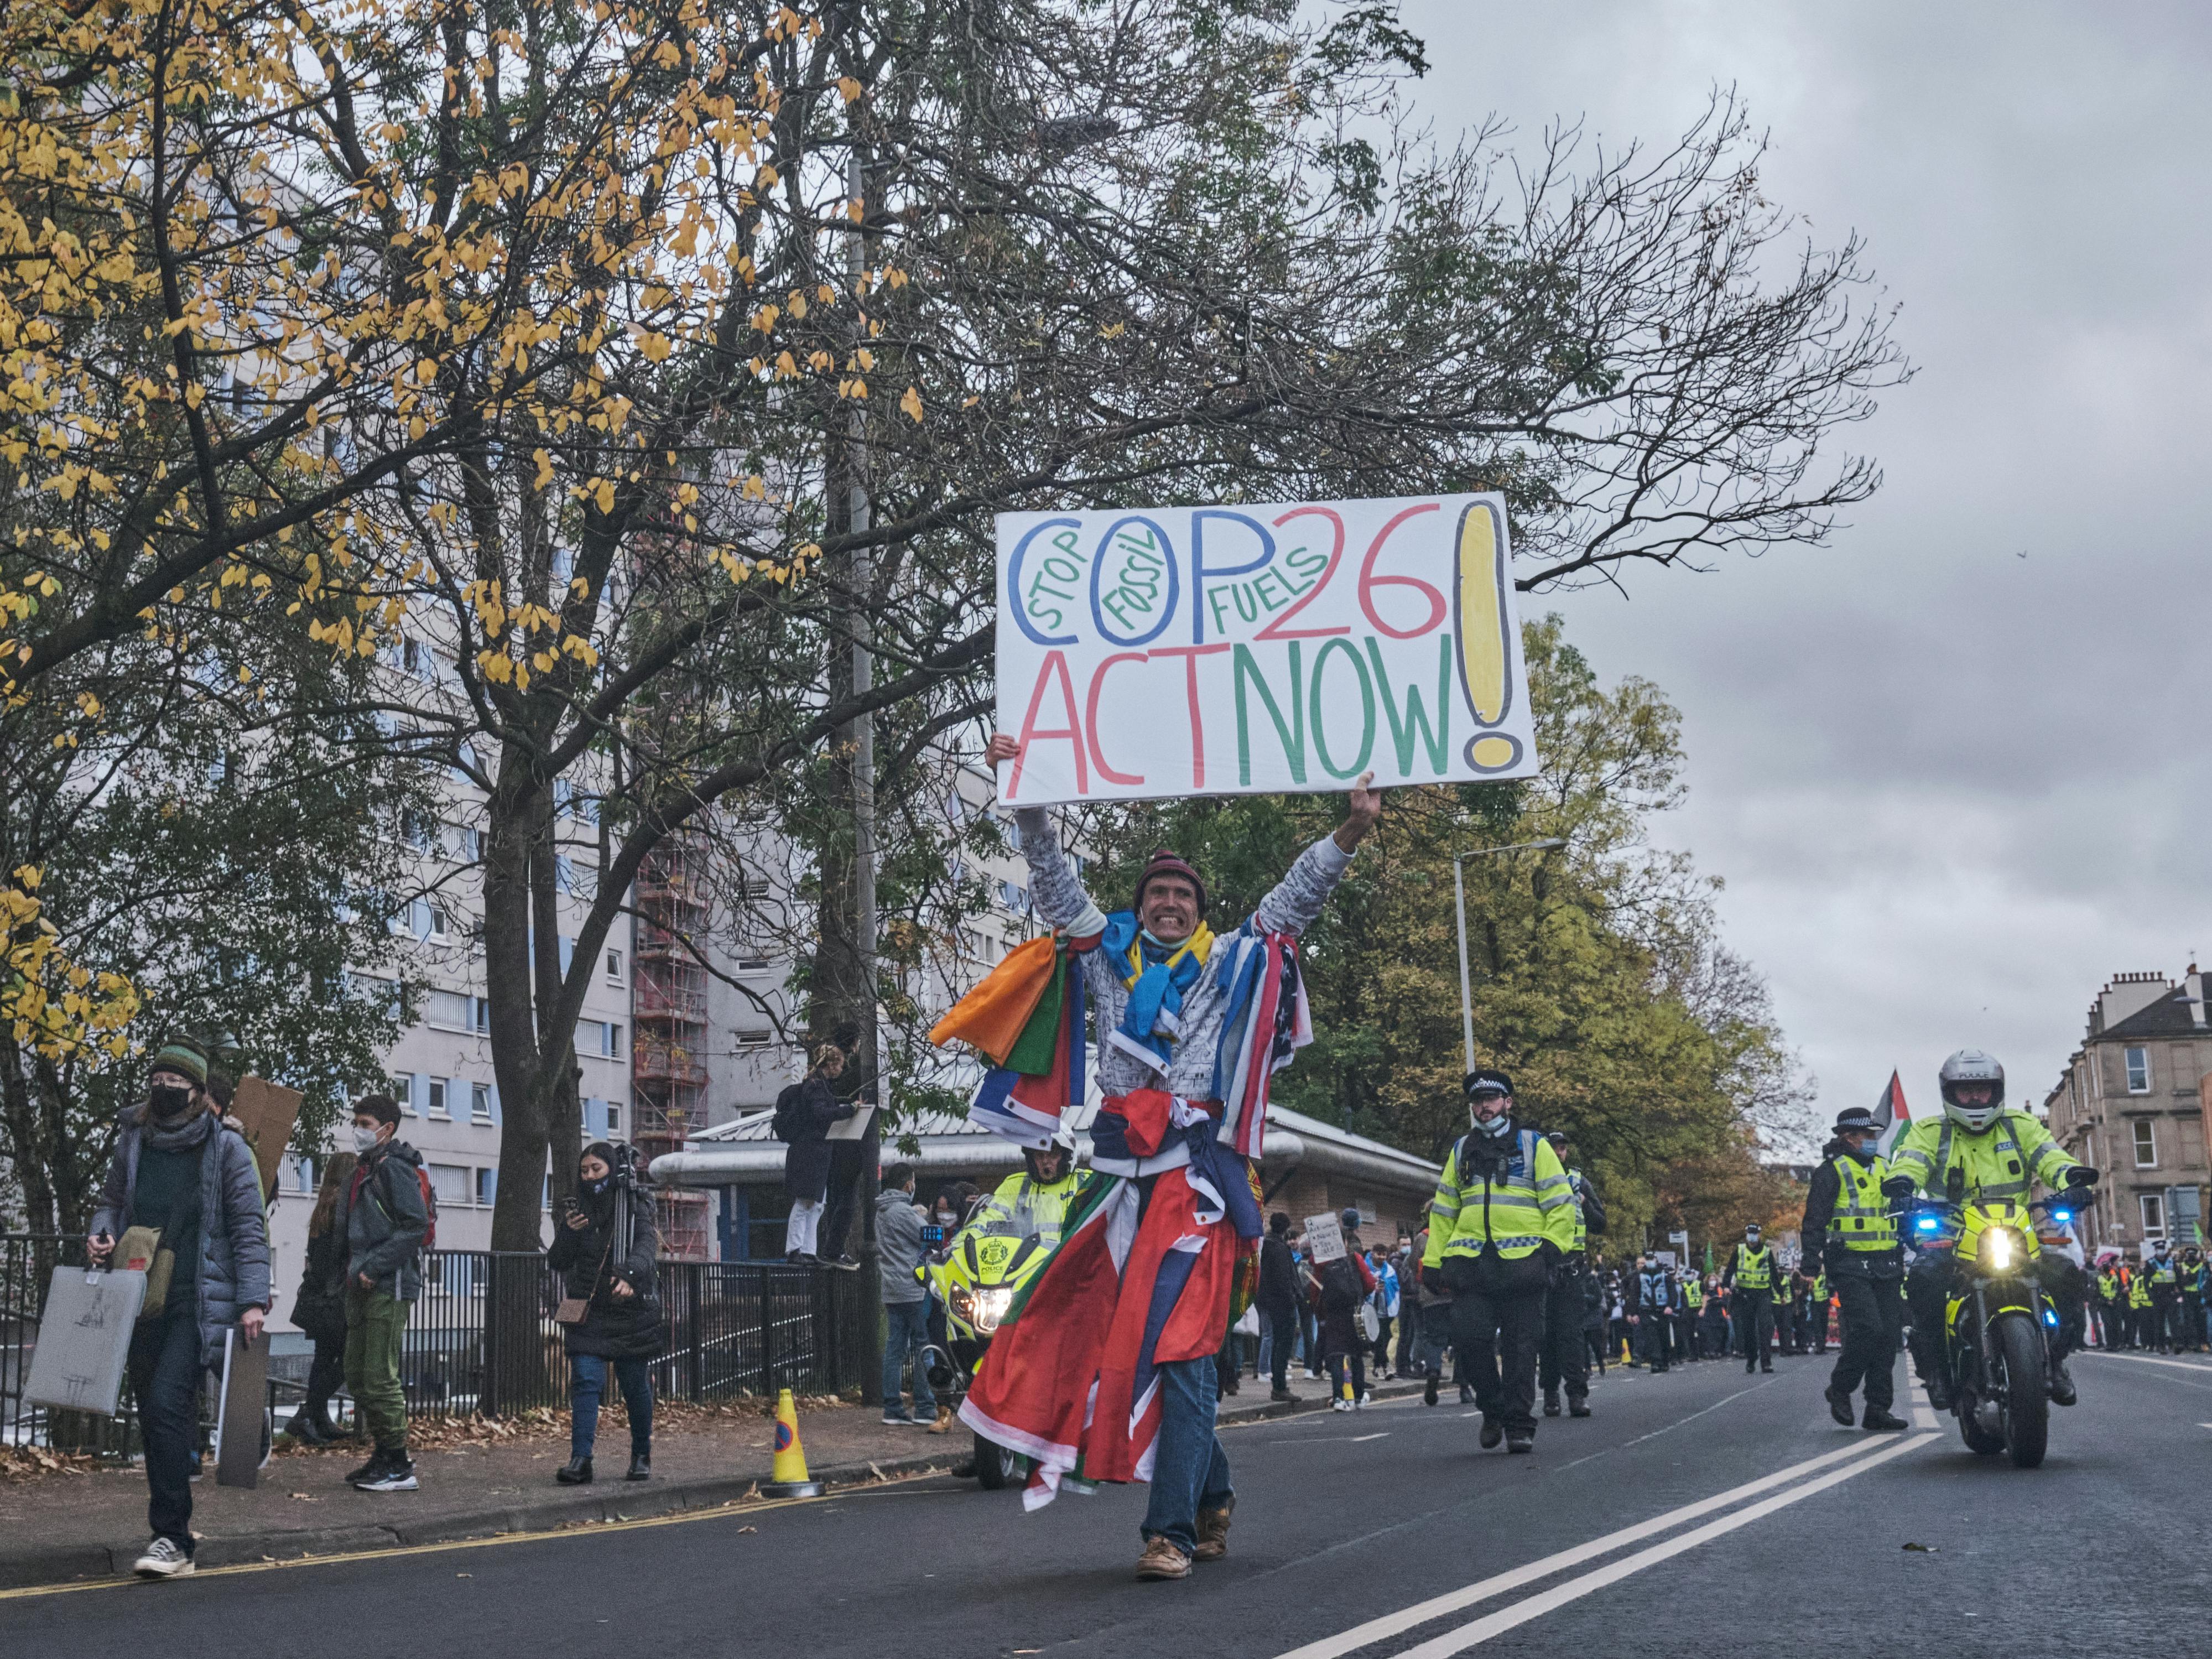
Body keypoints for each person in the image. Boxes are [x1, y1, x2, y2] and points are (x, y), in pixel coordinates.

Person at [963, 731, 1381, 1582]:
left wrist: (1349, 832)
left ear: (1197, 908)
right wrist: (1028, 798)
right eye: (1154, 891)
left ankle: (1172, 1531)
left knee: (1183, 1350)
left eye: (1180, 894)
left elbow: (1289, 905)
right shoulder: (1106, 961)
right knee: (1082, 1329)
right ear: (1140, 903)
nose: (1166, 903)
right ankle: (1213, 1492)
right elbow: (1053, 883)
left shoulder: (1229, 963)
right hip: (1118, 1185)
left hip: (1195, 1184)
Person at [88, 1038, 270, 1579]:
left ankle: (172, 1536)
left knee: (168, 1398)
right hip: (138, 1294)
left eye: (175, 1082)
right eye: (156, 1079)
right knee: (153, 1410)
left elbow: (248, 1226)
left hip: (198, 1300)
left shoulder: (227, 1149)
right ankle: (170, 1530)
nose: (163, 1089)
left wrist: (254, 1299)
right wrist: (100, 1236)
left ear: (197, 1093)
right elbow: (112, 1202)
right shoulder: (134, 1140)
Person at [1883, 1048, 2094, 1409]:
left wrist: (2071, 1178)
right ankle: (1934, 1369)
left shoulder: (2019, 1125)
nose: (1975, 1098)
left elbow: (2049, 1155)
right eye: (1967, 1092)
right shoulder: (1930, 1131)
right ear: (1949, 1093)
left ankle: (2056, 1361)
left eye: (1982, 1090)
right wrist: (1901, 1185)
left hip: (2015, 1237)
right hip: (1951, 1238)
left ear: (1996, 1090)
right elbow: (1910, 1159)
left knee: (2066, 1275)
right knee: (1924, 1280)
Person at [1420, 1070, 1579, 1454]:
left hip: (1523, 1263)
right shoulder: (1461, 1149)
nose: (1483, 1106)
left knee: (1521, 1350)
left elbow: (1560, 1203)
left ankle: (1519, 1426)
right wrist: (1433, 1260)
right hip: (1472, 1264)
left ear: (1507, 1102)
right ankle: (1492, 1409)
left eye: (1491, 1099)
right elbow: (1444, 1210)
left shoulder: (1533, 1145)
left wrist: (1550, 1249)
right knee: (1469, 1341)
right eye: (1477, 1101)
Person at [331, 1091, 429, 1492]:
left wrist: (374, 1266)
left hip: (388, 1282)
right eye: (356, 1123)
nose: (358, 1131)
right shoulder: (367, 1167)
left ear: (386, 1129)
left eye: (365, 1125)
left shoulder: (394, 1168)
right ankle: (383, 1454)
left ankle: (398, 1461)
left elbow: (414, 1224)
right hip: (361, 1281)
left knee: (379, 1374)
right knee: (357, 1372)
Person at [548, 1143, 663, 1481]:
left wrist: (630, 1274)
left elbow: (646, 1246)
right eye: (584, 1171)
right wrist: (569, 1232)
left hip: (629, 1309)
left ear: (611, 1169)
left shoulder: (633, 1205)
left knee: (633, 1385)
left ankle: (641, 1453)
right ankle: (580, 1460)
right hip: (588, 1310)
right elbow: (557, 1261)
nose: (589, 1177)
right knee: (585, 1380)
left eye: (596, 1169)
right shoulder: (577, 1210)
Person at [1799, 1107, 1908, 1432]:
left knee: (1889, 1335)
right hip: (1848, 1262)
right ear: (1849, 1137)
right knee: (1868, 1329)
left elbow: (1900, 1213)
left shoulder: (1885, 1169)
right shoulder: (1830, 1172)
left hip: (1886, 1262)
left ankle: (1878, 1408)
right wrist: (1810, 1260)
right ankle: (1841, 1389)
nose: (1875, 1140)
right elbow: (1815, 1220)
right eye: (1869, 1136)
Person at [285, 1150, 357, 1445]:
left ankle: (318, 1419)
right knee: (350, 1358)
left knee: (324, 1358)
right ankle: (307, 1413)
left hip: (317, 1298)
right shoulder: (344, 1207)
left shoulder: (323, 1207)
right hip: (334, 1299)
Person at [1540, 1132, 1605, 1419]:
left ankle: (1577, 1395)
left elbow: (1600, 1224)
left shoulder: (1579, 1182)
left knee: (1572, 1336)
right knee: (1546, 1336)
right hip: (1543, 1268)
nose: (1558, 1152)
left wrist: (1584, 1203)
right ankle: (1551, 1393)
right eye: (1553, 1147)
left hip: (1572, 1270)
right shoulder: (1534, 1181)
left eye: (1563, 1148)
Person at [777, 1046, 855, 1264]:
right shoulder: (816, 1087)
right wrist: (849, 1110)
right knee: (805, 1202)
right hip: (810, 1152)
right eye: (840, 1064)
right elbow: (821, 1114)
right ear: (831, 1065)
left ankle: (808, 1251)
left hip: (815, 1151)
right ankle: (794, 1250)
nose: (841, 1069)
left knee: (816, 1204)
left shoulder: (816, 1085)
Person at [873, 1163, 938, 1427]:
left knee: (894, 1349)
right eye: (913, 1182)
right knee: (924, 1347)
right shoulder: (905, 1212)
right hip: (915, 1288)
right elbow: (931, 1237)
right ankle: (925, 1406)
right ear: (908, 1184)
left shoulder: (881, 1212)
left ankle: (892, 1407)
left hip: (891, 1288)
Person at [962, 1126, 1083, 1249]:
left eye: (1053, 1155)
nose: (1046, 1161)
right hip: (1027, 1264)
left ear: (1067, 1157)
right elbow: (988, 1220)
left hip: (1072, 1261)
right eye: (1040, 1155)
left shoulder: (1083, 1182)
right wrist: (962, 1245)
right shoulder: (1015, 1185)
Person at [1313, 1211, 1377, 1410]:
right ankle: (1358, 1397)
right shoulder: (1355, 1258)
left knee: (1336, 1355)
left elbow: (1315, 1290)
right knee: (1356, 1356)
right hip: (1353, 1312)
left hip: (1332, 1314)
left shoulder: (1321, 1263)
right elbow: (1369, 1284)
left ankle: (1339, 1398)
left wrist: (1319, 1311)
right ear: (1345, 1242)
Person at [1257, 1212, 1301, 1401]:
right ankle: (1280, 1386)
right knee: (1283, 1345)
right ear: (1286, 1228)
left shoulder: (1266, 1246)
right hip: (1282, 1304)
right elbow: (1284, 1279)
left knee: (1274, 1342)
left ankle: (1278, 1384)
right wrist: (1292, 1299)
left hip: (1268, 1301)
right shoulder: (1280, 1248)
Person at [1724, 1224, 1777, 1374]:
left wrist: (1781, 1293)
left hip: (1763, 1294)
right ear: (1746, 1234)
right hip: (1745, 1295)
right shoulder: (1740, 1250)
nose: (1752, 1236)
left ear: (1759, 1235)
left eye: (1755, 1233)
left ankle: (1766, 1362)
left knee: (1765, 1327)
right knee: (1748, 1329)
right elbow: (1730, 1269)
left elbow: (1773, 1274)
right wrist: (1726, 1285)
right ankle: (1752, 1357)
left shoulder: (1766, 1252)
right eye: (1750, 1233)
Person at [2145, 1239, 2180, 1353]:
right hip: (2158, 1296)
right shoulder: (2151, 1263)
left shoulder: (2171, 1262)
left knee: (2173, 1321)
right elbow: (2146, 1282)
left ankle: (2175, 1344)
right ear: (2156, 1250)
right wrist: (2151, 1294)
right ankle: (2161, 1346)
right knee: (2159, 1323)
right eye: (2159, 1249)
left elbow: (2178, 1277)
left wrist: (2178, 1292)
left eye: (2163, 1249)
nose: (2161, 1251)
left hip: (2170, 1295)